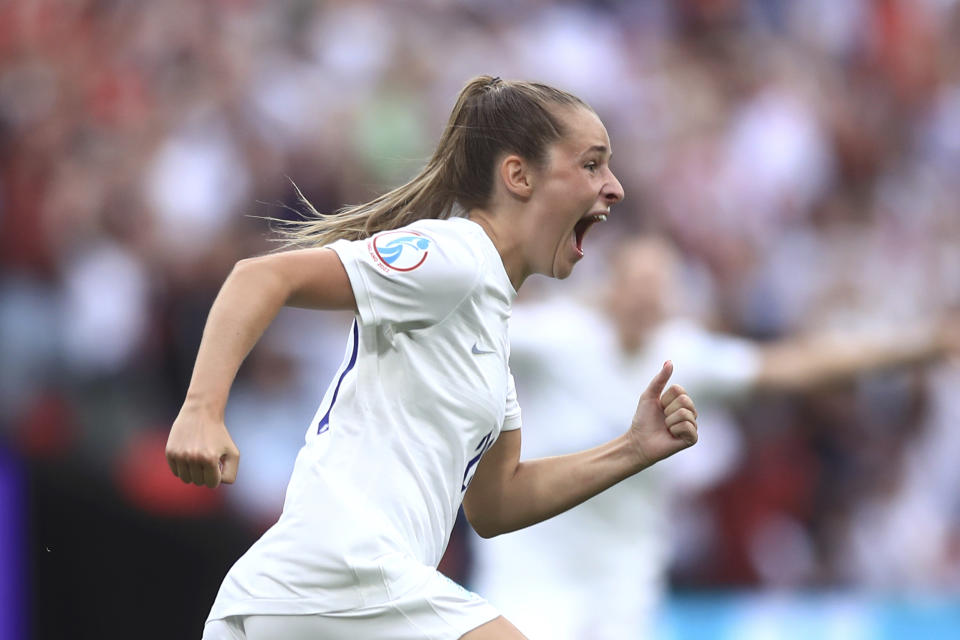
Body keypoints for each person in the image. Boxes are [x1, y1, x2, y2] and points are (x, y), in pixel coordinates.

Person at [164, 76, 700, 640]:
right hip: (340, 574)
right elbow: (261, 277)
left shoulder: (490, 331)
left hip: (295, 597)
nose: (614, 187)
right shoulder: (457, 256)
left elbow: (495, 503)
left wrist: (633, 449)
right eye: (592, 165)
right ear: (518, 176)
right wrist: (202, 408)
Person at [469, 235, 960, 639]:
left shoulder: (685, 356)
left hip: (625, 582)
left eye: (659, 285)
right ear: (611, 286)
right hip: (529, 569)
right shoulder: (557, 338)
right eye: (637, 281)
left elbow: (792, 367)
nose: (646, 295)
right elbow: (471, 330)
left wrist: (921, 346)